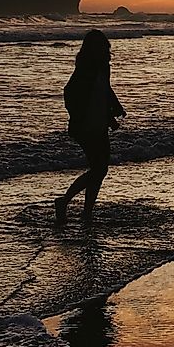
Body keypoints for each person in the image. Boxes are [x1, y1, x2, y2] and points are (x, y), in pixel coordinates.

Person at [55, 29, 125, 225]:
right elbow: (69, 93)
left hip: (99, 123)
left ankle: (86, 212)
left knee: (100, 169)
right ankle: (65, 201)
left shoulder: (103, 67)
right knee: (99, 168)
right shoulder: (84, 69)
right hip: (85, 126)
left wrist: (115, 108)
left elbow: (105, 89)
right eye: (101, 47)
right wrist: (79, 117)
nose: (105, 50)